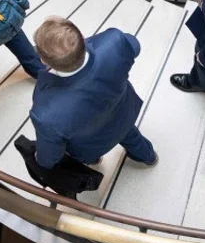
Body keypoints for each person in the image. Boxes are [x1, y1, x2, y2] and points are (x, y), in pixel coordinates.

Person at [29, 16, 157, 169]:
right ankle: (148, 156)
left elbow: (48, 156)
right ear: (82, 37)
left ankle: (95, 161)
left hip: (90, 145)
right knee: (131, 135)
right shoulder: (114, 43)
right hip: (124, 113)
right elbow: (134, 45)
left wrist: (41, 161)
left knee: (91, 155)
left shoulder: (45, 114)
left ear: (43, 60)